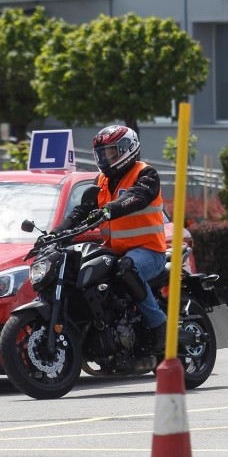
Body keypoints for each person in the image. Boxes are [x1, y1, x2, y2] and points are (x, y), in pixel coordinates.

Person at [54, 125, 170, 351]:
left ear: (127, 149)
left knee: (126, 268)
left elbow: (138, 196)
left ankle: (159, 325)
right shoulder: (101, 181)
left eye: (110, 152)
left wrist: (109, 209)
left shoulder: (145, 174)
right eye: (101, 153)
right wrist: (56, 233)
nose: (105, 158)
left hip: (149, 251)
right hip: (115, 250)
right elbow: (82, 211)